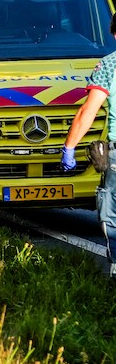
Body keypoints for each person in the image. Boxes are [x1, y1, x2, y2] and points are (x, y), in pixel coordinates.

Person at [61, 14, 116, 278]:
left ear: (113, 34)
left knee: (112, 216)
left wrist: (69, 147)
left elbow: (88, 111)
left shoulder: (109, 66)